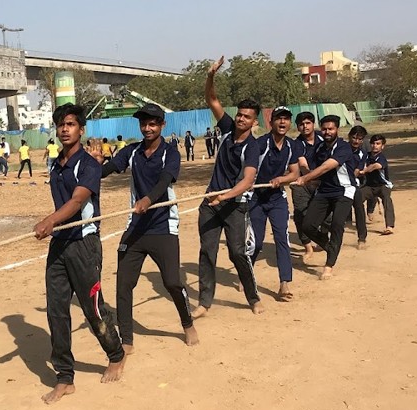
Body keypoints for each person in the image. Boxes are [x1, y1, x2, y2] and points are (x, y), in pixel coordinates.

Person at [33, 104, 126, 405]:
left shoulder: (89, 164)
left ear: (81, 129)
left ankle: (116, 354)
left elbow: (77, 200)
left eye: (70, 124)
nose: (64, 129)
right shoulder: (56, 163)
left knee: (92, 308)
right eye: (60, 124)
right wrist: (54, 226)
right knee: (56, 311)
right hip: (60, 244)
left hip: (84, 244)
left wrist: (50, 220)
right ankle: (64, 377)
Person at [95, 103, 199, 351]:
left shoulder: (170, 153)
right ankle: (127, 339)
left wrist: (148, 200)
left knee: (172, 282)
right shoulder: (132, 151)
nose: (147, 128)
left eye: (152, 123)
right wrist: (94, 167)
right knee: (123, 285)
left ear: (162, 125)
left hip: (163, 226)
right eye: (143, 123)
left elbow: (165, 180)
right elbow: (108, 169)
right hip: (136, 228)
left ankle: (187, 323)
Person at [193, 56, 264, 319]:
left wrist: (225, 196)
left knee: (237, 253)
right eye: (240, 115)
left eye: (247, 117)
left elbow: (247, 182)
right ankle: (204, 302)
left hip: (235, 204)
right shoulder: (225, 128)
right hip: (210, 204)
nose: (241, 119)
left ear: (254, 121)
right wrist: (211, 74)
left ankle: (253, 297)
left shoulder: (252, 147)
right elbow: (212, 100)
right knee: (207, 252)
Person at [296, 115, 358, 280]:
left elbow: (326, 167)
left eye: (331, 129)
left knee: (337, 224)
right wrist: (306, 179)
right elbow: (313, 169)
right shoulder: (319, 148)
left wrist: (306, 178)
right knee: (307, 226)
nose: (327, 132)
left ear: (337, 129)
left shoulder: (344, 147)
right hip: (324, 192)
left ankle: (329, 265)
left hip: (343, 191)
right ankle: (329, 246)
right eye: (324, 129)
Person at [248, 106, 301, 302]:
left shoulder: (292, 146)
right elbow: (249, 169)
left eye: (286, 119)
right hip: (256, 198)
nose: (282, 123)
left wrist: (282, 179)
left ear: (289, 123)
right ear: (271, 122)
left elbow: (295, 173)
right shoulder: (260, 144)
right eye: (279, 119)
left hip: (277, 198)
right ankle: (248, 275)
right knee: (256, 242)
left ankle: (284, 283)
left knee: (282, 239)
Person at [290, 112, 325, 262]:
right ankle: (308, 247)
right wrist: (310, 177)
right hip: (302, 183)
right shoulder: (296, 144)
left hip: (324, 182)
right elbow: (303, 165)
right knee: (300, 214)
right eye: (301, 124)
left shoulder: (324, 139)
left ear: (313, 124)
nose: (305, 126)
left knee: (328, 216)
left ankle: (324, 241)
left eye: (308, 123)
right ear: (298, 127)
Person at [360, 134, 395, 235]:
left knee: (387, 200)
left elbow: (377, 165)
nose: (375, 146)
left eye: (378, 144)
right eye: (373, 143)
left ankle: (389, 226)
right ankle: (358, 221)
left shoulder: (381, 157)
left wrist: (365, 170)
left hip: (383, 185)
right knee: (357, 198)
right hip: (369, 186)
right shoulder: (366, 156)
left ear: (382, 146)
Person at [348, 125, 369, 249]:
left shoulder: (363, 153)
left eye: (360, 139)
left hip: (353, 184)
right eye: (354, 138)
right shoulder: (342, 149)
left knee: (359, 208)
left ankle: (362, 238)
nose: (356, 141)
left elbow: (357, 170)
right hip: (338, 183)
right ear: (349, 137)